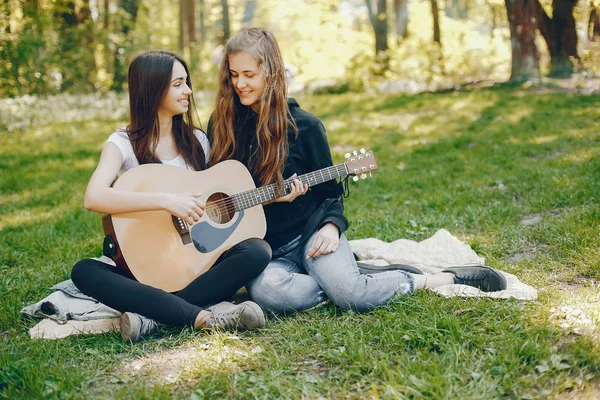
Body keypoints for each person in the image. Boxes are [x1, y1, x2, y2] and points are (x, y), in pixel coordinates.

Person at [207, 28, 507, 315]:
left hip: (311, 234)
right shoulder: (223, 127)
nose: (240, 84)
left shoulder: (305, 126)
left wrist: (331, 227)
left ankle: (439, 279)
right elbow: (217, 192)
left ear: (271, 74)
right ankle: (351, 282)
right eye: (234, 75)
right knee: (269, 293)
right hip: (265, 250)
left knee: (351, 294)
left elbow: (330, 193)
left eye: (249, 75)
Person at [71, 50, 271, 342]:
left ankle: (153, 316)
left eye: (186, 82)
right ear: (153, 88)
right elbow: (94, 197)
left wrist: (278, 194)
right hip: (142, 267)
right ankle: (200, 317)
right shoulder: (122, 144)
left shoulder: (197, 141)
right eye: (178, 84)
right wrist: (166, 201)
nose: (188, 90)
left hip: (192, 266)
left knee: (257, 250)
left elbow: (219, 197)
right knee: (84, 271)